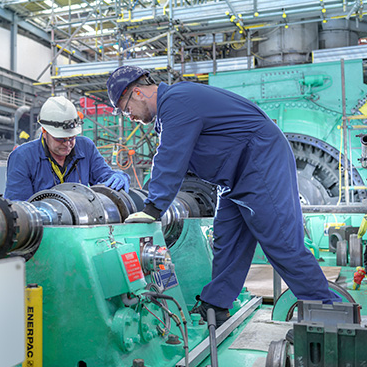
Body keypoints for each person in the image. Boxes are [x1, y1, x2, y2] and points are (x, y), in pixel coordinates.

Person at [106, 65, 342, 326]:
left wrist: (152, 208)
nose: (130, 117)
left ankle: (331, 314)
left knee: (282, 243)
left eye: (126, 109)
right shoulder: (170, 112)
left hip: (259, 161)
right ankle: (216, 304)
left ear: (137, 93)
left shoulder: (175, 100)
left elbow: (170, 156)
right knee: (227, 239)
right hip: (234, 177)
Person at [4, 96, 130, 201]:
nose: (67, 144)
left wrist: (119, 176)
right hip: (41, 228)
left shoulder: (86, 148)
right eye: (60, 139)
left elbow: (105, 177)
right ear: (44, 131)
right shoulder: (22, 157)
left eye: (72, 137)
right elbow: (19, 208)